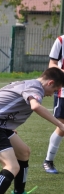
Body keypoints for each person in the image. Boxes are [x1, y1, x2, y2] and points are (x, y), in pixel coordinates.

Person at [43, 35, 64, 174]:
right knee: (62, 126)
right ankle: (48, 161)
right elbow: (52, 64)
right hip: (63, 91)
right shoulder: (61, 41)